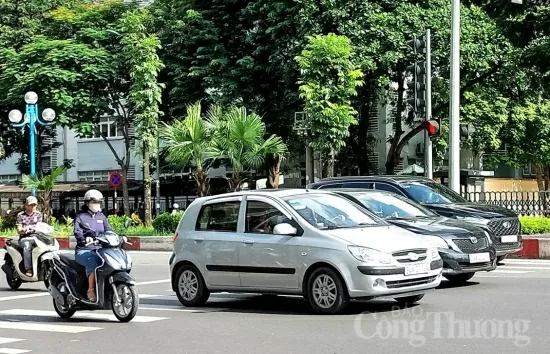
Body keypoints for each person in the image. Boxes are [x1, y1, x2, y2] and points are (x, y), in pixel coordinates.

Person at [74, 189, 112, 302]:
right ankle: (90, 290)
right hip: (84, 250)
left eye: (98, 202)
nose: (97, 204)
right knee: (93, 261)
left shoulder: (101, 217)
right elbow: (77, 232)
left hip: (100, 249)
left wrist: (118, 237)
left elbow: (109, 230)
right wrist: (84, 239)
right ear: (87, 203)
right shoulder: (81, 217)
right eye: (94, 202)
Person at [16, 196, 43, 276]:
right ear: (26, 205)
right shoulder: (20, 215)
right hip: (25, 238)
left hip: (37, 237)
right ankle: (28, 268)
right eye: (31, 205)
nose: (33, 207)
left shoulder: (38, 214)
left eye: (34, 205)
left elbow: (40, 225)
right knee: (27, 246)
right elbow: (19, 228)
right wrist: (23, 230)